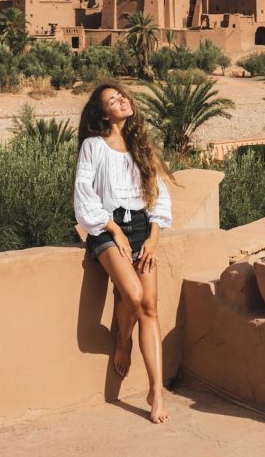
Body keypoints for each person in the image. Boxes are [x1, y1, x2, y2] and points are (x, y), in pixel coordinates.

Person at [74, 82, 172, 424]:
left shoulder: (141, 146)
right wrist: (113, 230)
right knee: (131, 294)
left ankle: (156, 392)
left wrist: (154, 236)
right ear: (104, 113)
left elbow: (158, 194)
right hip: (106, 227)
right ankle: (124, 341)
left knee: (150, 306)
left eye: (122, 96)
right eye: (113, 100)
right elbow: (84, 194)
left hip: (143, 226)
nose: (121, 100)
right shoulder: (93, 146)